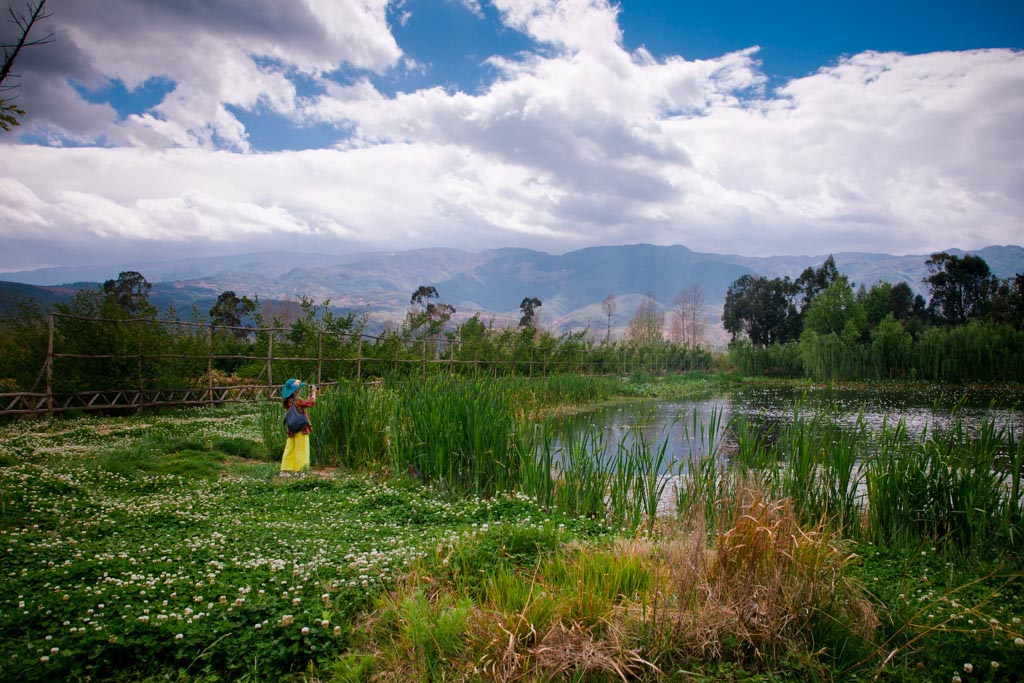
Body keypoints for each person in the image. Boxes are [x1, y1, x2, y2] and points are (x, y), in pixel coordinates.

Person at [280, 378, 317, 474]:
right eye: (297, 389)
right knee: (302, 450)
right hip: (301, 428)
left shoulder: (288, 401)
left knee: (289, 449)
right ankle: (300, 471)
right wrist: (313, 392)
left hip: (291, 429)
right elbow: (311, 403)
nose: (298, 390)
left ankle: (284, 470)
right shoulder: (297, 400)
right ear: (294, 391)